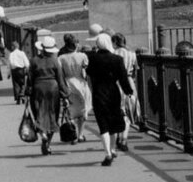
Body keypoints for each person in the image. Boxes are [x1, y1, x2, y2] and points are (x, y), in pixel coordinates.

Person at [86, 32, 134, 166]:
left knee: (103, 125)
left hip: (98, 94)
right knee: (113, 124)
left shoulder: (92, 58)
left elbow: (88, 74)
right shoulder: (117, 59)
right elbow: (123, 79)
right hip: (113, 93)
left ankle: (107, 153)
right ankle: (112, 150)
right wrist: (129, 92)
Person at [26, 35, 68, 155]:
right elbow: (61, 79)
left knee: (39, 113)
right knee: (52, 114)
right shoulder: (55, 61)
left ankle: (42, 134)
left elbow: (30, 79)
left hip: (38, 88)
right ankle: (48, 143)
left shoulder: (34, 60)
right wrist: (65, 95)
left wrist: (27, 92)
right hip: (53, 88)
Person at [57, 34, 92, 142]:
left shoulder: (61, 58)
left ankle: (73, 134)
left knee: (71, 111)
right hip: (80, 83)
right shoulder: (82, 56)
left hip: (68, 83)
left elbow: (60, 74)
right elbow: (86, 71)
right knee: (82, 110)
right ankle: (80, 134)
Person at [112, 32, 140, 150]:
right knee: (128, 111)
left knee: (118, 110)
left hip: (117, 82)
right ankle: (124, 139)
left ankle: (118, 137)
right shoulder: (132, 54)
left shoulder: (114, 54)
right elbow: (135, 71)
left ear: (115, 42)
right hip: (129, 82)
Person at [7, 40, 30, 105]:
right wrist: (27, 69)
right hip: (21, 70)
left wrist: (8, 74)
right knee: (23, 83)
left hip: (14, 70)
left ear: (13, 47)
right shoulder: (22, 53)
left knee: (16, 85)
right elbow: (26, 62)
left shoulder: (11, 54)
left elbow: (9, 64)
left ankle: (17, 98)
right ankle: (22, 95)